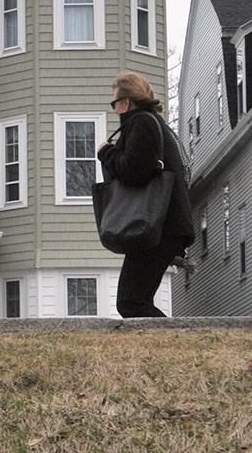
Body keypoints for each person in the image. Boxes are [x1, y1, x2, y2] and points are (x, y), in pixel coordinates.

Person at [98, 71, 194, 318]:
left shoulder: (141, 122)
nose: (115, 110)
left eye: (115, 103)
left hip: (158, 225)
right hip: (159, 224)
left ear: (127, 102)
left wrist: (106, 153)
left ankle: (180, 346)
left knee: (132, 301)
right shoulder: (150, 123)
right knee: (135, 300)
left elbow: (134, 172)